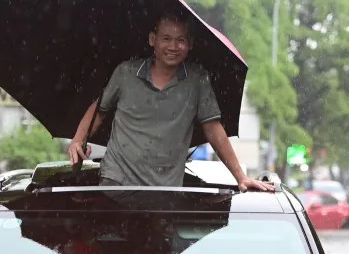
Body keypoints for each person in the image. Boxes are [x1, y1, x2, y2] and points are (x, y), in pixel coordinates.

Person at [67, 11, 272, 193]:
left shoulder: (197, 80)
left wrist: (240, 177)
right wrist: (78, 140)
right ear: (152, 40)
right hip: (116, 181)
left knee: (158, 237)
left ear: (190, 44)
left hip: (166, 188)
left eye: (180, 40)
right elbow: (99, 110)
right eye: (166, 38)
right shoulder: (126, 72)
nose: (173, 46)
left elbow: (212, 128)